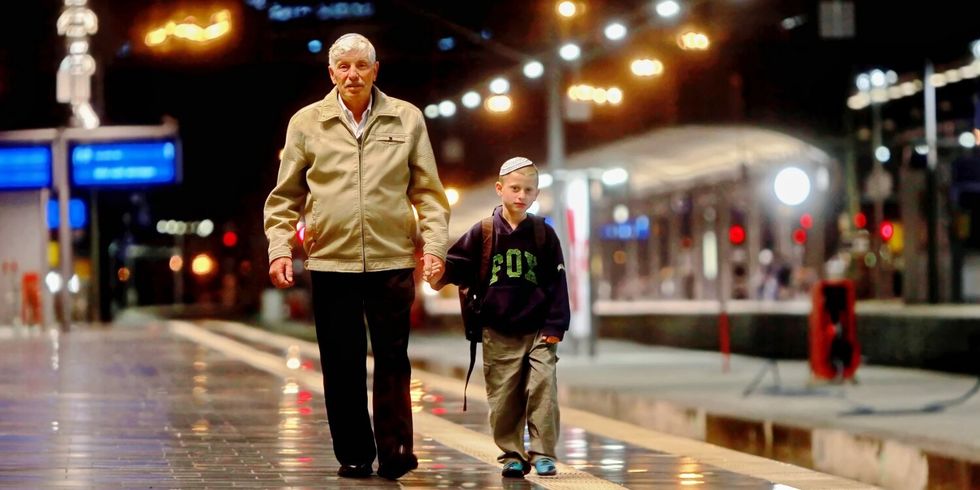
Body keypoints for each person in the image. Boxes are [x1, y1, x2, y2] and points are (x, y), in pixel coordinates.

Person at [263, 33, 450, 480]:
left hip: (392, 260)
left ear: (375, 70)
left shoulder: (406, 119)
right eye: (343, 66)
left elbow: (428, 192)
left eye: (361, 66)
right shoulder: (307, 123)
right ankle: (354, 453)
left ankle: (396, 451)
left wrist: (435, 248)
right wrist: (280, 249)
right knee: (340, 363)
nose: (352, 74)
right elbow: (284, 197)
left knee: (392, 359)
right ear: (331, 73)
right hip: (330, 263)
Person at [435, 157, 570, 478]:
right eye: (514, 188)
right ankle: (512, 453)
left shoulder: (543, 234)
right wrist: (438, 269)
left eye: (528, 190)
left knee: (543, 389)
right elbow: (456, 264)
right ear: (500, 190)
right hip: (497, 330)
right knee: (504, 395)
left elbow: (558, 282)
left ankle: (543, 453)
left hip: (538, 330)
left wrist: (556, 324)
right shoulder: (482, 232)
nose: (521, 195)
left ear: (536, 194)